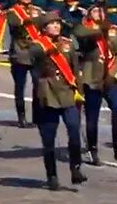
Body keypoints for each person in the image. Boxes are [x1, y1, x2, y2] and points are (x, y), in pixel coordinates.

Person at [30, 11, 87, 190]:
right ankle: (51, 175)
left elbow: (75, 70)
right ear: (44, 28)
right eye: (52, 24)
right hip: (48, 94)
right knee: (49, 138)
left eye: (58, 23)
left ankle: (75, 167)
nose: (56, 26)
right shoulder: (38, 45)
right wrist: (49, 46)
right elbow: (35, 54)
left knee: (74, 130)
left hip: (67, 93)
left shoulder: (67, 45)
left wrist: (79, 92)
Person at [74, 6, 117, 165]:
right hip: (91, 77)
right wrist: (100, 30)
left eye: (101, 11)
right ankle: (92, 149)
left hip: (110, 78)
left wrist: (112, 74)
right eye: (94, 11)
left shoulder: (112, 30)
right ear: (89, 14)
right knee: (92, 117)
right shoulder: (85, 29)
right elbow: (80, 35)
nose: (99, 14)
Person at [6, 0, 41, 127]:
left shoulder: (37, 10)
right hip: (20, 50)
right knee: (20, 86)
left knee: (38, 84)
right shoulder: (13, 12)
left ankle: (37, 117)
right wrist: (27, 20)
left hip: (35, 51)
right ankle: (21, 117)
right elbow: (14, 25)